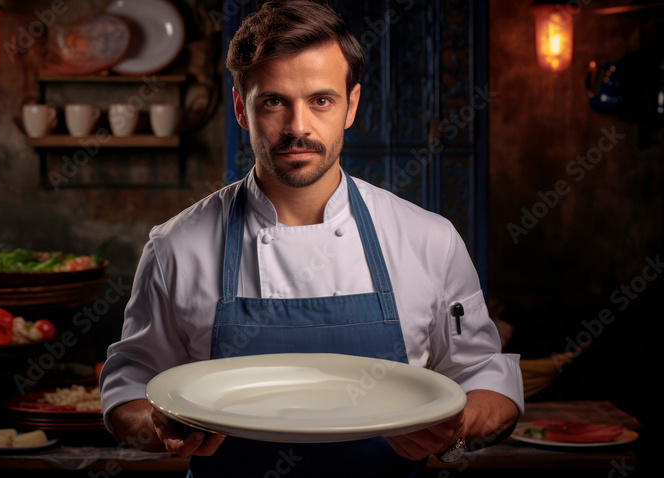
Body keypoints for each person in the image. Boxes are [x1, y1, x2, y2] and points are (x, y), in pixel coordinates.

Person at [99, 1, 523, 476]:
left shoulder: (429, 239)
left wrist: (457, 431)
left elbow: (488, 379)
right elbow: (128, 391)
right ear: (242, 107)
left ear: (351, 105)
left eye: (320, 100)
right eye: (274, 101)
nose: (298, 126)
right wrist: (158, 430)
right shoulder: (176, 247)